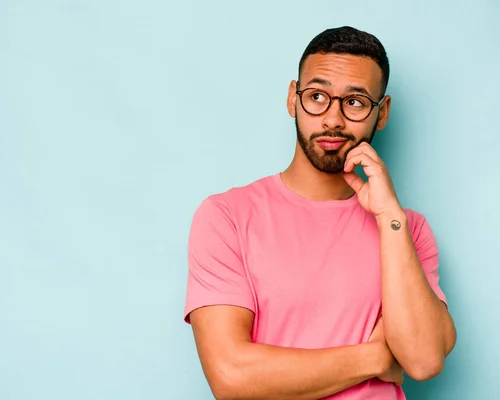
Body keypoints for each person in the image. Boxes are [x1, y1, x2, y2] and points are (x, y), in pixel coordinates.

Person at [183, 26, 457, 400]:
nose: (333, 119)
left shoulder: (407, 228)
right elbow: (231, 376)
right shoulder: (226, 216)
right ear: (293, 99)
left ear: (382, 113)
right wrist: (376, 356)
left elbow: (424, 361)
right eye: (317, 96)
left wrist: (390, 218)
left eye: (356, 102)